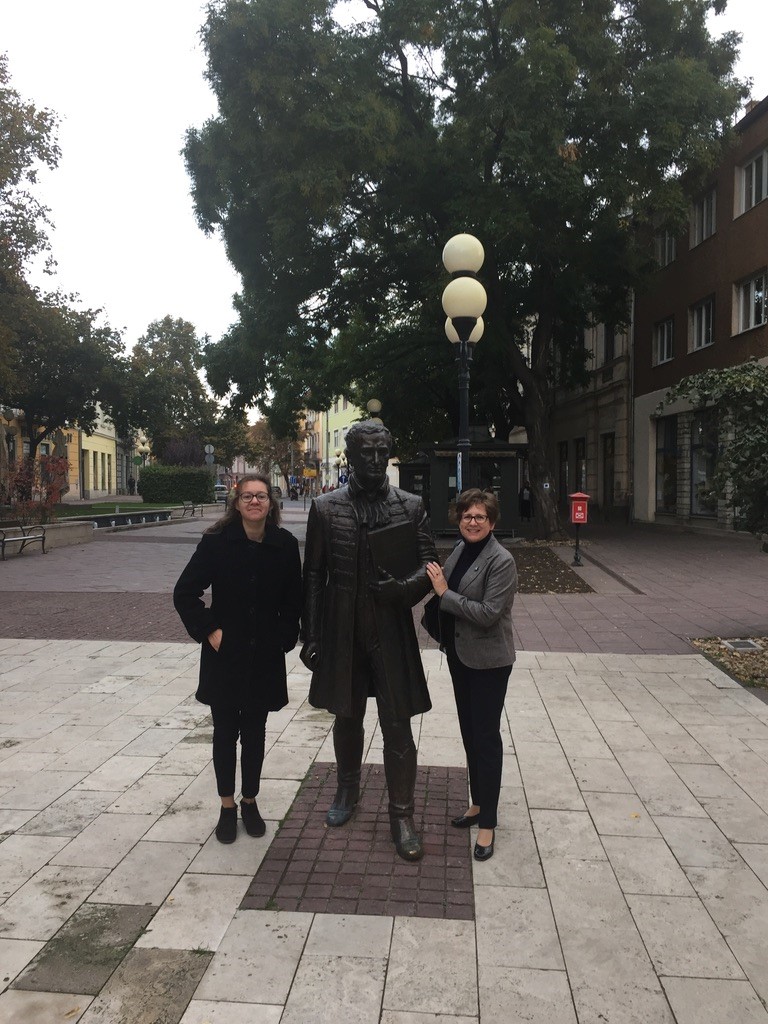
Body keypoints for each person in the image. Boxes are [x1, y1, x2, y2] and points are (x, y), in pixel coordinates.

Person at [300, 420, 437, 860]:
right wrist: (311, 633)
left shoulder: (410, 506)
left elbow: (429, 566)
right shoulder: (325, 507)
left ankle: (402, 815)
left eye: (382, 452)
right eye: (367, 453)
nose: (376, 460)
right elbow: (313, 575)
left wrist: (402, 590)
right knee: (346, 715)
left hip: (391, 630)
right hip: (342, 628)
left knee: (398, 723)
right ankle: (347, 789)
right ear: (351, 457)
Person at [173, 474, 301, 844]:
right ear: (237, 502)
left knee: (256, 732)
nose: (254, 502)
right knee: (226, 731)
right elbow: (185, 592)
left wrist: (283, 638)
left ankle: (250, 800)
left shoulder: (284, 544)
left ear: (271, 503)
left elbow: (294, 598)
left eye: (261, 496)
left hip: (264, 654)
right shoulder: (217, 542)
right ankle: (227, 806)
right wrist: (210, 631)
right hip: (225, 653)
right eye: (247, 496)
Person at [425, 489, 516, 862]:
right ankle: (478, 803)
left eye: (480, 517)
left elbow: (488, 613)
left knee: (486, 739)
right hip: (460, 656)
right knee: (469, 734)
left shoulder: (501, 560)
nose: (472, 522)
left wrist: (444, 593)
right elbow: (439, 580)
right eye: (467, 516)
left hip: (489, 662)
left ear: (491, 522)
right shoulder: (462, 549)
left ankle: (488, 823)